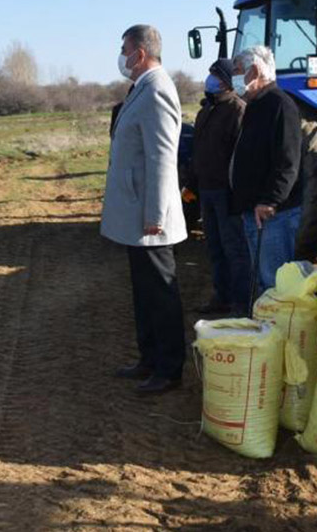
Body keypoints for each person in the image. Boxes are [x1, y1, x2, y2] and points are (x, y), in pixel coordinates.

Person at [101, 24, 188, 395]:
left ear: (139, 53)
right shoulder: (142, 88)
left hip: (150, 219)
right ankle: (149, 358)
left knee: (161, 293)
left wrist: (155, 214)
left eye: (124, 49)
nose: (121, 57)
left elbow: (162, 158)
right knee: (143, 292)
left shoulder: (157, 90)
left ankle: (169, 369)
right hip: (137, 216)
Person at [228, 45, 302, 299]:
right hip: (254, 210)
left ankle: (277, 334)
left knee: (274, 283)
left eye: (237, 71)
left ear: (255, 70)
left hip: (272, 215)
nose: (233, 77)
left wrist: (270, 200)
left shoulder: (280, 105)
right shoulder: (255, 106)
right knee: (261, 280)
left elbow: (287, 161)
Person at [184, 58, 250, 316]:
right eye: (210, 74)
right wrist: (191, 183)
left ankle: (240, 304)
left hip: (227, 192)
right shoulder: (206, 111)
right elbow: (198, 152)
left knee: (234, 248)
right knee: (215, 246)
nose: (211, 80)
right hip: (206, 190)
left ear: (228, 81)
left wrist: (237, 193)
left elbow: (241, 156)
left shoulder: (238, 110)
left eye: (216, 76)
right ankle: (221, 297)